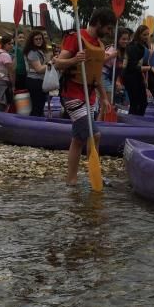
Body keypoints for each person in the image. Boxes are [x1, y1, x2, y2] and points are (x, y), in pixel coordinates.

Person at [54, 10, 115, 186]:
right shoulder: (75, 38)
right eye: (108, 28)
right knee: (94, 135)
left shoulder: (99, 45)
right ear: (99, 23)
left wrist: (104, 97)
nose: (110, 33)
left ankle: (71, 180)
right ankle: (95, 176)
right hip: (72, 95)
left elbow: (96, 75)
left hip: (90, 96)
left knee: (78, 140)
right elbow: (57, 63)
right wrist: (74, 60)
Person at [123, 25, 151, 116]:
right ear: (139, 35)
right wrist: (150, 68)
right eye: (144, 35)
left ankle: (138, 120)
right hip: (130, 77)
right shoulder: (133, 46)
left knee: (143, 103)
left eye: (148, 35)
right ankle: (132, 123)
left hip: (138, 76)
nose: (146, 37)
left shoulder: (145, 46)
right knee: (135, 102)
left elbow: (144, 64)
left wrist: (145, 79)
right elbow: (132, 67)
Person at [23, 29, 50, 117]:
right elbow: (39, 69)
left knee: (40, 106)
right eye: (36, 39)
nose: (39, 41)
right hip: (34, 81)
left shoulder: (39, 51)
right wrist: (51, 64)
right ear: (32, 40)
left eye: (40, 39)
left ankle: (38, 124)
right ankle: (34, 125)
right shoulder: (32, 52)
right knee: (37, 106)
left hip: (39, 80)